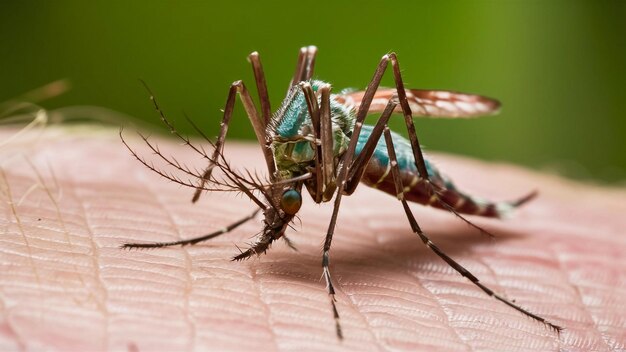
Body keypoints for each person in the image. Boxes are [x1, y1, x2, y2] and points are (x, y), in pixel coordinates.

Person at [0, 127, 623, 351]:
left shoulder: (317, 156)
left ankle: (455, 229)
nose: (283, 211)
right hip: (331, 145)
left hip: (380, 155)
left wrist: (326, 256)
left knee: (384, 70)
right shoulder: (286, 155)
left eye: (281, 204)